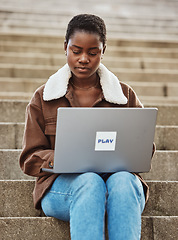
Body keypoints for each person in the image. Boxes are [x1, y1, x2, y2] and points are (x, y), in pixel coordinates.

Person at [20, 14, 155, 240]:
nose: (84, 58)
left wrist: (121, 156)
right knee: (90, 182)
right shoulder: (43, 98)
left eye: (93, 53)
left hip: (117, 187)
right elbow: (29, 158)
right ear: (65, 48)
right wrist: (64, 158)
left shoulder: (124, 96)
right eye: (76, 51)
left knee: (123, 180)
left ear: (103, 51)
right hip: (62, 187)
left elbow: (144, 149)